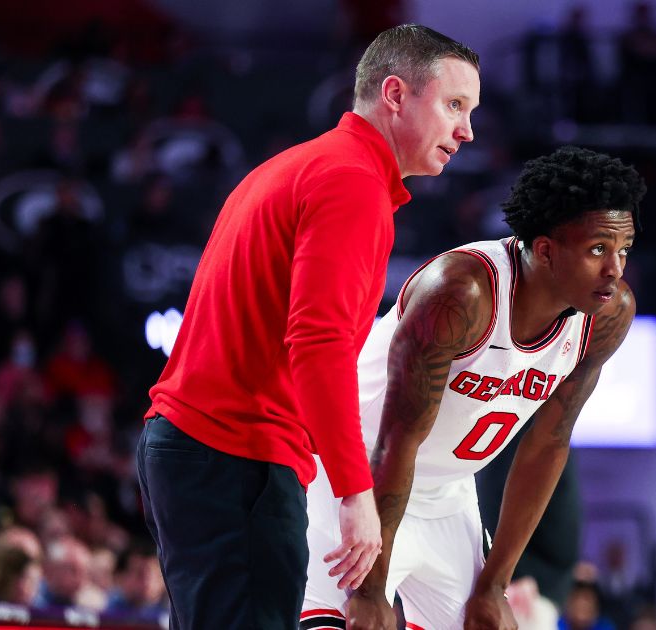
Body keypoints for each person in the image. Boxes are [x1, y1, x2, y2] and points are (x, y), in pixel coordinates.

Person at [136, 24, 480, 630]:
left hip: (203, 450)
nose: (466, 130)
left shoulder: (307, 165)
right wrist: (354, 491)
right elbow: (317, 347)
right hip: (235, 454)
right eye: (454, 104)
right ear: (395, 94)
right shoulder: (352, 183)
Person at [299, 146, 644, 630]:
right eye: (597, 250)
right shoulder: (461, 294)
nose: (615, 269)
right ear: (545, 250)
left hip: (449, 495)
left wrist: (493, 584)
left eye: (622, 250)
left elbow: (548, 444)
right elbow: (398, 442)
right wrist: (371, 589)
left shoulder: (608, 313)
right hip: (354, 481)